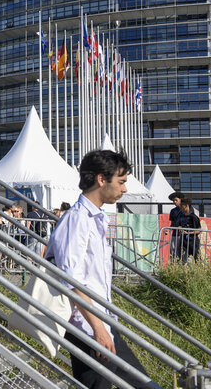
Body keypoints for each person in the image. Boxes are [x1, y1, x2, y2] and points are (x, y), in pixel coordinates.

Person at [45, 150, 149, 388]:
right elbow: (71, 281)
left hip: (101, 320)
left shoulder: (96, 218)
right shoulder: (77, 219)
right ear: (101, 179)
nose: (124, 189)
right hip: (88, 327)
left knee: (141, 382)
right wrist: (98, 329)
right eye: (121, 182)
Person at [177, 197, 201, 262]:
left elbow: (199, 230)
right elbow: (179, 225)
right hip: (183, 241)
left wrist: (188, 233)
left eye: (182, 206)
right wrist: (179, 228)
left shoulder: (194, 217)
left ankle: (198, 271)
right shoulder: (181, 216)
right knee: (182, 259)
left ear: (186, 206)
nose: (180, 207)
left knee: (197, 259)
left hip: (193, 241)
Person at [167, 191, 185, 261]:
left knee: (183, 251)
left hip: (184, 234)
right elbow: (172, 222)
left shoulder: (186, 208)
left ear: (180, 200)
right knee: (173, 250)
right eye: (173, 200)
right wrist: (169, 229)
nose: (174, 202)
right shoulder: (173, 211)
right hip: (175, 234)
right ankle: (174, 265)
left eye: (176, 200)